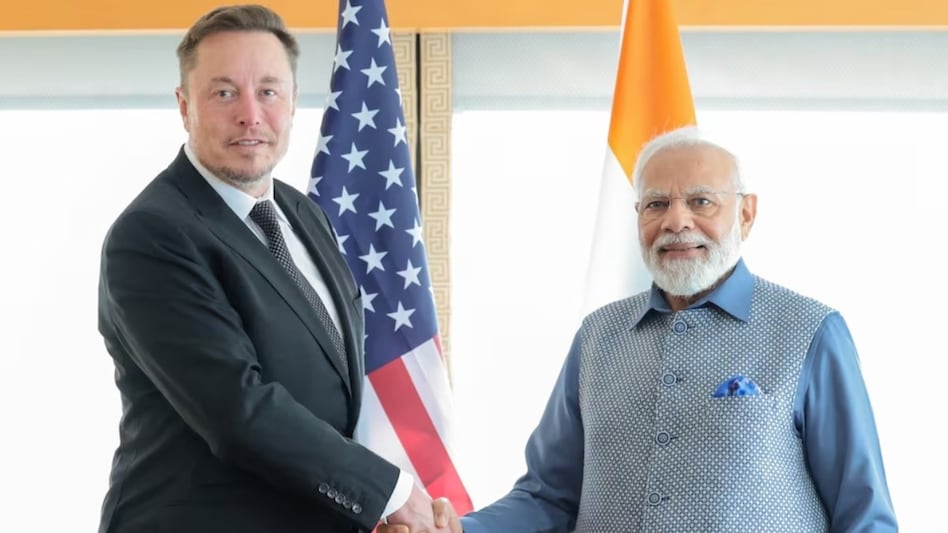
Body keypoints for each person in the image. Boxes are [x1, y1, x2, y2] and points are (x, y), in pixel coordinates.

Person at [381, 125, 898, 532]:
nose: (676, 221)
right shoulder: (597, 338)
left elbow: (864, 515)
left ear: (746, 213)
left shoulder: (811, 331)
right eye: (656, 204)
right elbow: (549, 497)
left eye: (701, 201)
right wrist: (463, 530)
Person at [96, 5, 453, 533]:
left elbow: (332, 392)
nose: (250, 114)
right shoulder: (152, 235)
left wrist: (366, 507)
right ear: (184, 106)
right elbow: (238, 410)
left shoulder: (304, 214)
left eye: (268, 91)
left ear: (292, 102)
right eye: (224, 93)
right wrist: (387, 494)